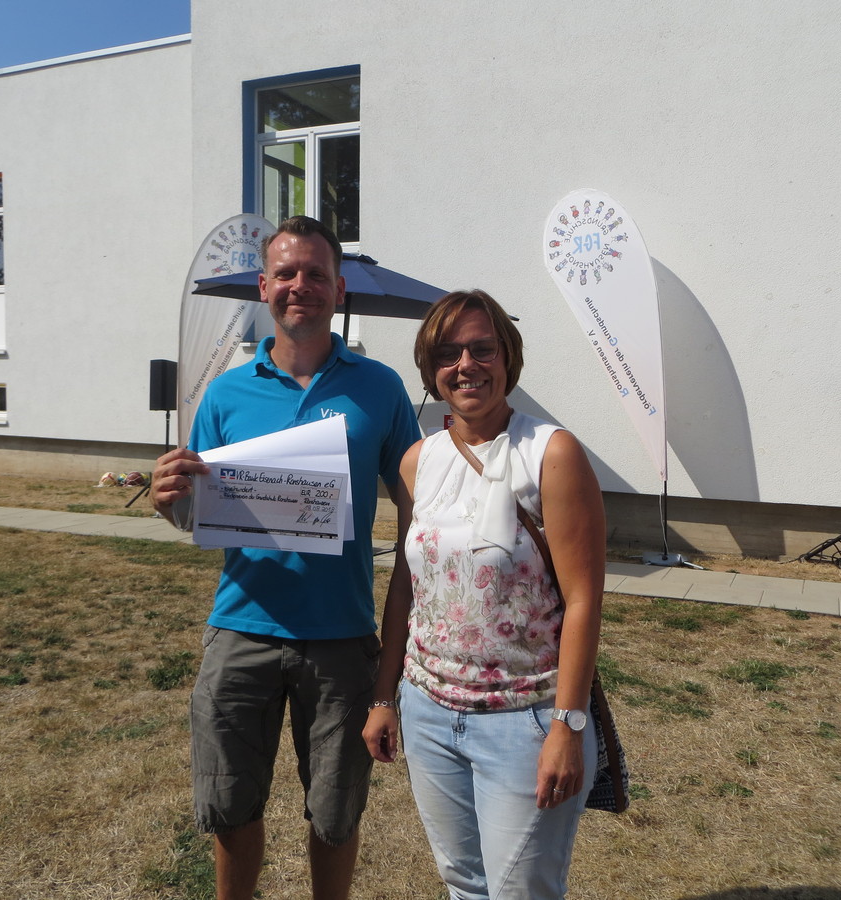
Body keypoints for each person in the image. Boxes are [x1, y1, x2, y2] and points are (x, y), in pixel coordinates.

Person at [151, 215, 421, 900]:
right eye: (287, 273)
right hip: (241, 628)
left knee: (334, 813)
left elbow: (420, 499)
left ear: (339, 289)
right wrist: (168, 500)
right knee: (230, 806)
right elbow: (198, 513)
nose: (301, 285)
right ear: (263, 286)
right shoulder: (225, 393)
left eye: (317, 274)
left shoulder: (380, 387)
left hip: (341, 636)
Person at [363, 289, 606, 899]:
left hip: (524, 719)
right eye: (448, 353)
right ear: (431, 369)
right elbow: (406, 586)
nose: (466, 365)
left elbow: (584, 600)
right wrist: (384, 697)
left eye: (482, 349)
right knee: (463, 883)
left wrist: (567, 725)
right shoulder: (418, 462)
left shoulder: (551, 453)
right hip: (428, 712)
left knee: (522, 891)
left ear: (508, 357)